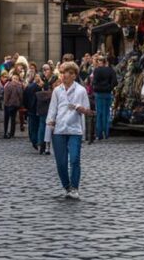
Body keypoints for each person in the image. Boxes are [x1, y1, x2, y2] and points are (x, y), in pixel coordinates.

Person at [46, 62, 91, 199]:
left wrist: (80, 108)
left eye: (70, 73)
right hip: (59, 129)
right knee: (61, 162)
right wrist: (49, 129)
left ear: (75, 75)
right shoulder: (57, 90)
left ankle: (75, 187)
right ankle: (67, 186)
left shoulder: (81, 91)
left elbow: (88, 110)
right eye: (65, 72)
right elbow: (52, 110)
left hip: (74, 129)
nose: (66, 75)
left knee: (75, 159)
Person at [91, 54, 117, 141]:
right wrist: (109, 87)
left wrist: (96, 87)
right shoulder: (111, 70)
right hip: (107, 93)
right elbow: (115, 82)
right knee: (106, 114)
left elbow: (94, 82)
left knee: (99, 114)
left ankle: (99, 134)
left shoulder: (96, 70)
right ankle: (106, 133)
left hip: (98, 93)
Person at [36, 63, 57, 154]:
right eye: (43, 69)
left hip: (52, 105)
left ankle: (48, 146)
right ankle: (41, 144)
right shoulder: (39, 79)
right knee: (42, 125)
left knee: (49, 126)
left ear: (51, 70)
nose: (45, 71)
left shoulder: (54, 79)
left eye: (47, 69)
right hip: (42, 105)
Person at [2, 72, 23, 138]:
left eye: (16, 79)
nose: (15, 80)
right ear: (11, 79)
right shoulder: (9, 86)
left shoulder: (19, 86)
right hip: (9, 105)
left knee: (12, 119)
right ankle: (7, 132)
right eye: (14, 78)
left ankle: (11, 133)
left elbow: (21, 96)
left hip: (14, 105)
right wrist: (5, 103)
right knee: (8, 119)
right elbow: (6, 96)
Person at [24, 74, 40, 150]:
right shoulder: (38, 87)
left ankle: (33, 139)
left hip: (30, 108)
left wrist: (26, 107)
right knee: (36, 125)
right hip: (36, 109)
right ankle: (35, 140)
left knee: (31, 125)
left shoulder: (28, 87)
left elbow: (24, 98)